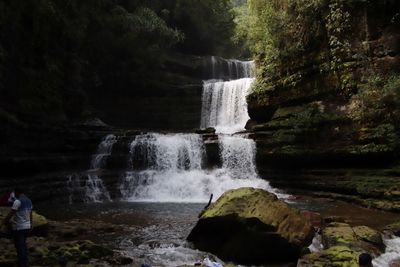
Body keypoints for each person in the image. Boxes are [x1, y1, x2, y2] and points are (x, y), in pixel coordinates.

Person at [1, 188, 33, 267]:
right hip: (27, 226)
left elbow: (12, 213)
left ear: (17, 193)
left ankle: (22, 263)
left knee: (20, 245)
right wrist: (31, 224)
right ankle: (24, 261)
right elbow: (30, 214)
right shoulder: (29, 201)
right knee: (23, 245)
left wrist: (4, 221)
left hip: (19, 227)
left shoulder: (17, 201)